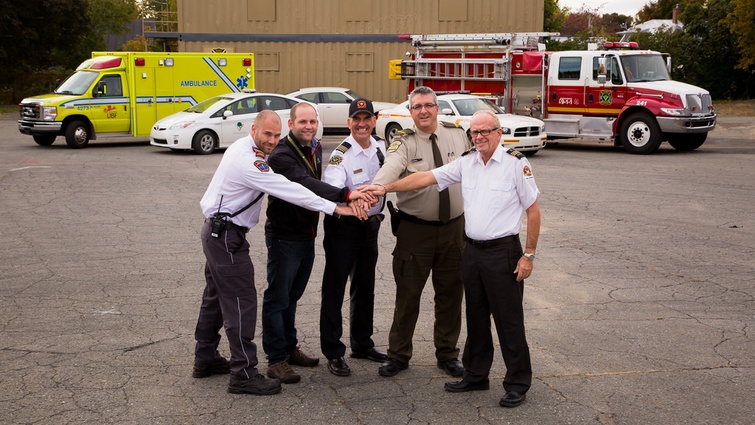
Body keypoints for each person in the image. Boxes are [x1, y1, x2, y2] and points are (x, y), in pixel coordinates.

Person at [360, 110, 541, 408]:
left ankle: (517, 382)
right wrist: (384, 187)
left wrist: (529, 255)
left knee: (509, 322)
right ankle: (476, 375)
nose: (479, 136)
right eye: (475, 132)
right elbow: (424, 177)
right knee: (476, 318)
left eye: (486, 131)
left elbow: (533, 210)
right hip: (472, 251)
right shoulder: (467, 163)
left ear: (499, 133)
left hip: (503, 253)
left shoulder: (514, 164)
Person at [193, 110, 360, 396]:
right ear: (254, 129)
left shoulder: (246, 148)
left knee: (215, 300)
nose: (272, 140)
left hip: (221, 233)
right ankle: (243, 373)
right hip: (226, 236)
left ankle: (205, 358)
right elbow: (288, 188)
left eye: (275, 134)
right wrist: (337, 205)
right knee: (240, 304)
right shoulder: (249, 160)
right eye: (267, 134)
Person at [262, 102, 371, 384]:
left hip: (306, 234)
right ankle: (276, 359)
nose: (308, 126)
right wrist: (346, 196)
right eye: (303, 122)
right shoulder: (282, 155)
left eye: (312, 121)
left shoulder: (314, 146)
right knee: (278, 298)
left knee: (292, 297)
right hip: (284, 236)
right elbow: (306, 184)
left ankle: (289, 348)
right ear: (291, 124)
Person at [371, 86, 471, 378]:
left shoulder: (458, 133)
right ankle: (399, 355)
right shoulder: (404, 141)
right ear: (410, 112)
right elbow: (391, 168)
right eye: (417, 107)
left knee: (451, 295)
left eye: (429, 105)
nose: (424, 111)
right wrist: (378, 188)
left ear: (437, 108)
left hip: (455, 229)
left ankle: (448, 354)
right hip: (416, 232)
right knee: (408, 295)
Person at [320, 99, 388, 377]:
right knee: (334, 290)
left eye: (367, 118)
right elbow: (333, 187)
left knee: (365, 286)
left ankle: (362, 343)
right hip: (343, 228)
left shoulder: (382, 147)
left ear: (374, 120)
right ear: (348, 122)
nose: (362, 124)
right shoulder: (341, 154)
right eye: (356, 119)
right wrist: (353, 201)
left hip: (370, 226)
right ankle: (333, 351)